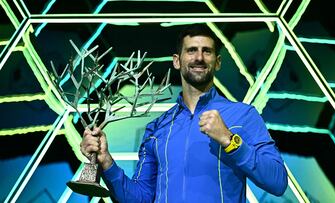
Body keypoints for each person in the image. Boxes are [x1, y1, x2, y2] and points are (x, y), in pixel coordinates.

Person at [81, 24, 288, 202]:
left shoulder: (244, 115)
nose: (199, 57)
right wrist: (106, 162)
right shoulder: (158, 127)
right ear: (177, 60)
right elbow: (141, 197)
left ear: (217, 62)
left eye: (207, 51)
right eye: (191, 50)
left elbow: (278, 182)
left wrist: (229, 140)